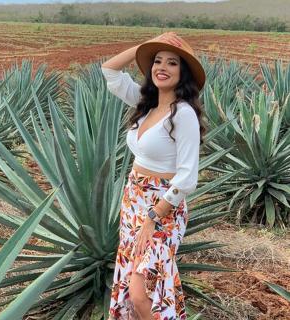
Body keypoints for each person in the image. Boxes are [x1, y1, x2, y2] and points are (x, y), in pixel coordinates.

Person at [101, 32, 206, 320]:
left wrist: (154, 217)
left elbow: (187, 177)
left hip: (163, 208)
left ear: (182, 73)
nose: (162, 67)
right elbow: (109, 70)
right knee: (131, 286)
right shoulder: (146, 103)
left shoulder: (182, 114)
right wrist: (143, 47)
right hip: (133, 200)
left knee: (141, 291)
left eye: (172, 63)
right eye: (157, 61)